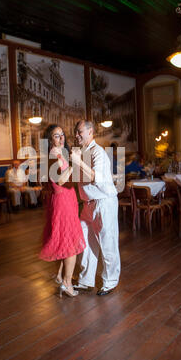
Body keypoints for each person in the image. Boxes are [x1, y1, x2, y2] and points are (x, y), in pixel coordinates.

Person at [72, 120, 121, 296]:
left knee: (108, 242)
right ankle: (86, 280)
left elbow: (96, 178)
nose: (76, 135)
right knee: (85, 242)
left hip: (103, 201)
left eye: (79, 132)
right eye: (76, 132)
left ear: (90, 131)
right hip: (87, 204)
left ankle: (110, 281)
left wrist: (78, 161)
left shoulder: (98, 152)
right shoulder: (81, 152)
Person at [39, 124, 86, 297]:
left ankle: (60, 276)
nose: (61, 138)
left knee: (63, 240)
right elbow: (60, 181)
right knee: (71, 244)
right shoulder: (53, 155)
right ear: (49, 139)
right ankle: (67, 284)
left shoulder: (59, 154)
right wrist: (75, 163)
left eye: (62, 134)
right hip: (63, 202)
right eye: (56, 135)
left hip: (67, 199)